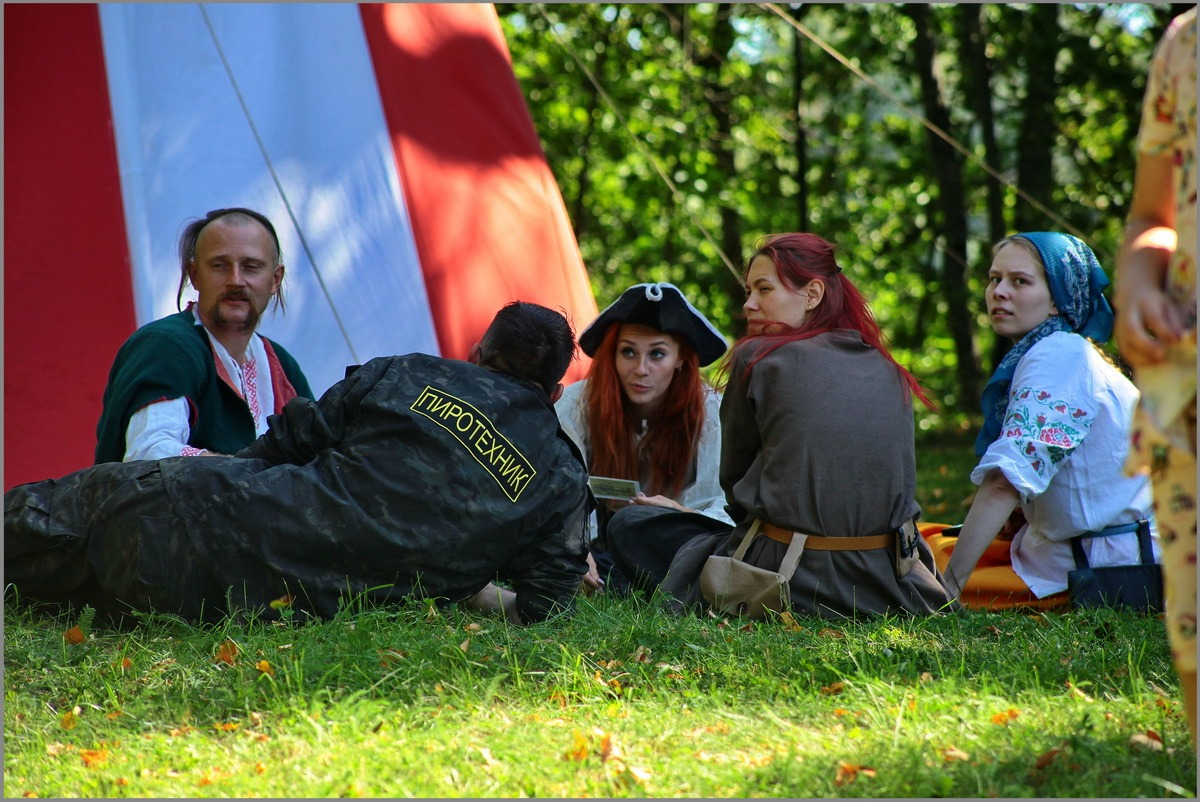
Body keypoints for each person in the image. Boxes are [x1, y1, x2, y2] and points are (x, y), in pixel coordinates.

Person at [6, 302, 590, 625]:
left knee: (41, 526)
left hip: (200, 521)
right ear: (555, 395)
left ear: (476, 354)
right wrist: (447, 578)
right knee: (67, 585)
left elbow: (290, 437)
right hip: (257, 607)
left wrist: (216, 483)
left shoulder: (408, 372)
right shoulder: (563, 479)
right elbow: (545, 604)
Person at [609, 233, 953, 618]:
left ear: (813, 294)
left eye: (763, 289)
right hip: (888, 582)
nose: (748, 304)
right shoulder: (888, 367)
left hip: (790, 578)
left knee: (633, 522)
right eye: (748, 290)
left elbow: (735, 486)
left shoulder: (759, 357)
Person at [928, 233, 1156, 613]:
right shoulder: (1061, 350)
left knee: (907, 572)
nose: (999, 292)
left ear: (1057, 301)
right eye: (994, 278)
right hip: (1069, 552)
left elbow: (1005, 481)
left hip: (1100, 570)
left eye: (1020, 281)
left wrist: (947, 589)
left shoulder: (1059, 357)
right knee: (923, 542)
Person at [1113, 7, 1196, 744]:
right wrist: (1140, 283)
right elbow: (1151, 212)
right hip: (1189, 391)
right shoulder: (1186, 43)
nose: (996, 294)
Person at [94, 207, 313, 464]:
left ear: (276, 279)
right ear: (195, 275)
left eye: (251, 267)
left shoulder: (282, 365)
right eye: (220, 266)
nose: (236, 280)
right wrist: (253, 474)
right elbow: (149, 454)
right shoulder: (167, 346)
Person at [555, 282, 730, 594]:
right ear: (613, 355)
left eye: (657, 354)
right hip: (595, 539)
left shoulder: (711, 411)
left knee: (635, 526)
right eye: (629, 352)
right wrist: (576, 549)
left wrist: (682, 514)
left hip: (675, 538)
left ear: (680, 358)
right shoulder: (575, 405)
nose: (640, 369)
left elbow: (725, 503)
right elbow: (559, 492)